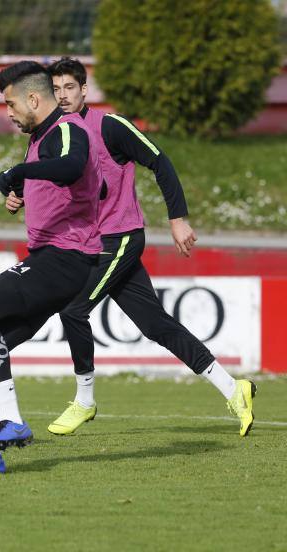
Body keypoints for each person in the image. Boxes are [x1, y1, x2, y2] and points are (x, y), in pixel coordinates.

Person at [45, 57, 255, 436]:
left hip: (121, 237)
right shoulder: (56, 134)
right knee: (156, 325)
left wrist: (178, 219)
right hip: (93, 242)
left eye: (69, 88)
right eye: (56, 89)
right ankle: (233, 387)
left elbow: (161, 161)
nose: (62, 96)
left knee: (74, 309)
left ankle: (85, 401)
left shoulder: (110, 126)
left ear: (84, 89)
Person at [0, 61, 103, 476]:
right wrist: (22, 191)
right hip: (56, 259)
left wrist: (21, 172)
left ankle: (13, 420)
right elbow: (88, 185)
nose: (9, 112)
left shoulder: (65, 128)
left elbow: (71, 167)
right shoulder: (40, 139)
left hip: (64, 259)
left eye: (11, 103)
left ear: (34, 99)